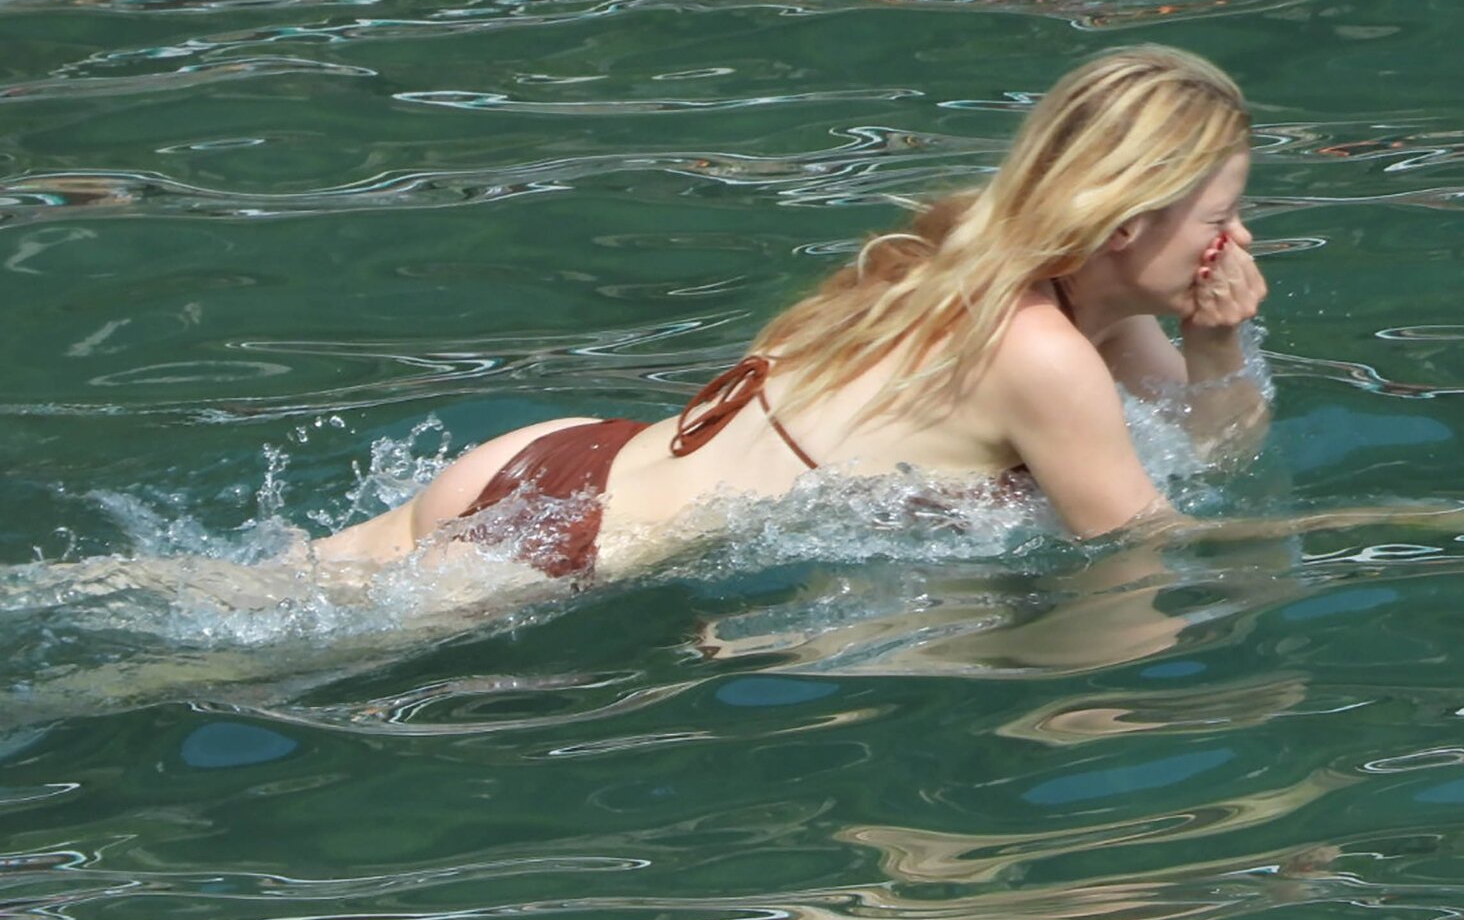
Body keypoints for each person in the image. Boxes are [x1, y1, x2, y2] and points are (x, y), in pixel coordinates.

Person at [311, 44, 1271, 583]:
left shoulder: (1004, 269)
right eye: (1218, 218)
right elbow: (1138, 548)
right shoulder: (1042, 353)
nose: (1236, 239)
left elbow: (1207, 452)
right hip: (566, 556)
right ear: (1125, 226)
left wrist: (1215, 340)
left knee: (242, 598)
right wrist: (1343, 541)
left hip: (564, 460)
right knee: (242, 676)